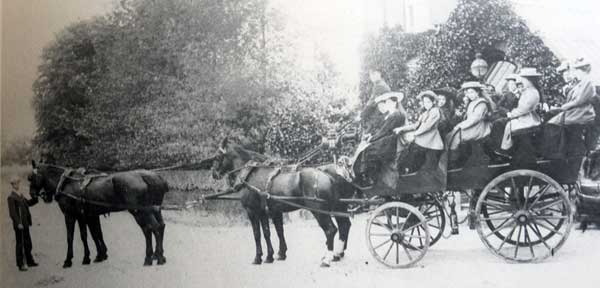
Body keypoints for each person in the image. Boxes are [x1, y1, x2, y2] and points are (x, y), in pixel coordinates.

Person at [359, 91, 406, 184]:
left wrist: (372, 139)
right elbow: (381, 129)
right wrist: (371, 135)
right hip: (386, 139)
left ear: (394, 103)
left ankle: (372, 178)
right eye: (386, 102)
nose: (386, 104)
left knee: (369, 150)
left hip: (391, 142)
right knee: (368, 148)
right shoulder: (390, 115)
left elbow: (384, 131)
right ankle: (371, 176)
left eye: (388, 102)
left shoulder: (396, 115)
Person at [394, 91, 444, 173]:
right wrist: (402, 129)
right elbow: (416, 125)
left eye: (428, 102)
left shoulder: (435, 111)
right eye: (424, 102)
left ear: (433, 102)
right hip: (423, 142)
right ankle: (406, 172)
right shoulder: (425, 113)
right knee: (410, 157)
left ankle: (408, 172)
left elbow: (427, 126)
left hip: (432, 144)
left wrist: (415, 134)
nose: (426, 104)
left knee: (425, 168)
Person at [500, 68, 543, 151]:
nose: (522, 82)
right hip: (524, 116)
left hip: (528, 119)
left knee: (500, 124)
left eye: (523, 79)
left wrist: (511, 115)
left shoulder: (532, 92)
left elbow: (524, 109)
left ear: (529, 80)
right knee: (500, 123)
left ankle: (505, 150)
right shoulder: (528, 91)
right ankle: (506, 150)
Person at [548, 58, 596, 126]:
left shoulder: (588, 82)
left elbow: (578, 101)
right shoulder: (581, 82)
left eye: (576, 69)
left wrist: (563, 107)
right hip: (575, 112)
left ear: (583, 70)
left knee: (553, 123)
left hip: (581, 113)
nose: (575, 72)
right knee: (551, 120)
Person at [447, 81, 492, 150]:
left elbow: (475, 119)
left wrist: (460, 125)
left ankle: (453, 156)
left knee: (456, 136)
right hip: (471, 125)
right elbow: (467, 116)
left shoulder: (481, 103)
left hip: (479, 127)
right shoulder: (471, 102)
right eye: (468, 93)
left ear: (477, 92)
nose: (470, 95)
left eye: (472, 92)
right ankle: (450, 154)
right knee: (450, 134)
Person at [7, 177, 39, 271]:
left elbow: (28, 203)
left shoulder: (20, 195)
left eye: (18, 183)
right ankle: (20, 264)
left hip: (25, 223)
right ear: (12, 185)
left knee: (28, 242)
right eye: (15, 183)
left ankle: (29, 261)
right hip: (19, 225)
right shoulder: (11, 197)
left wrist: (36, 198)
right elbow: (12, 213)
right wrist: (18, 223)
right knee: (20, 244)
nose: (17, 185)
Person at [360, 70, 392, 136]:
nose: (372, 76)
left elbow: (371, 103)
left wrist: (362, 114)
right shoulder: (381, 84)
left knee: (366, 134)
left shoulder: (379, 86)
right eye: (371, 75)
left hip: (380, 114)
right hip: (382, 112)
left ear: (379, 74)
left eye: (374, 74)